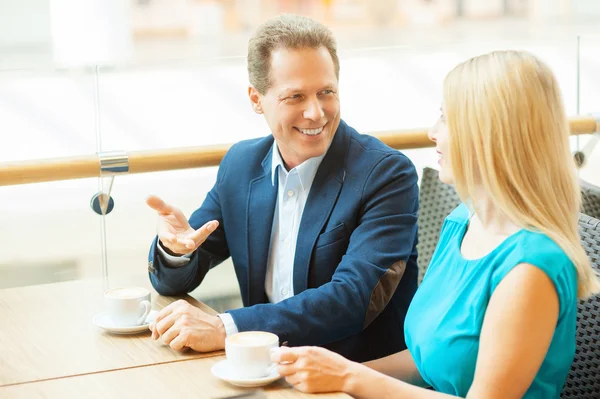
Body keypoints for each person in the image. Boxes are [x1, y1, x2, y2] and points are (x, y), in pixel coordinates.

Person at [270, 50, 600, 398]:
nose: (432, 133)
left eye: (446, 118)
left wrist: (349, 379)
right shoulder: (461, 222)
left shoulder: (531, 268)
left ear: (491, 135)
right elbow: (426, 358)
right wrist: (328, 375)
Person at [144, 14, 419, 362]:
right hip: (259, 369)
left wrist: (224, 328)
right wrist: (176, 251)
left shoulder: (386, 174)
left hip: (355, 376)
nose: (316, 113)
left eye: (326, 92)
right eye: (296, 97)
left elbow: (353, 299)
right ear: (256, 99)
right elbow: (177, 278)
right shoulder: (241, 165)